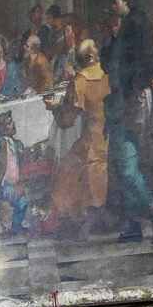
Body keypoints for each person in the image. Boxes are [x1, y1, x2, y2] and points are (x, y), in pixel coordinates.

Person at [105, 0, 153, 242]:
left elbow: (150, 60)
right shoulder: (125, 25)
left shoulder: (137, 22)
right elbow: (113, 63)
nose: (113, 5)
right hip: (121, 104)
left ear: (126, 0)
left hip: (135, 103)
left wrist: (140, 84)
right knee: (125, 166)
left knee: (136, 165)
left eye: (116, 0)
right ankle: (134, 226)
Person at [46, 39, 110, 229]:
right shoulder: (108, 73)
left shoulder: (80, 81)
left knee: (67, 166)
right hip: (111, 136)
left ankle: (82, 217)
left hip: (92, 140)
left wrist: (54, 107)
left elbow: (66, 120)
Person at [0, 109, 28, 235]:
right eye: (9, 123)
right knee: (5, 208)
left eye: (12, 122)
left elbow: (22, 160)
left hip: (16, 183)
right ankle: (7, 229)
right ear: (2, 127)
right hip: (2, 184)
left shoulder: (16, 143)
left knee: (22, 204)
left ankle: (16, 226)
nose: (13, 124)